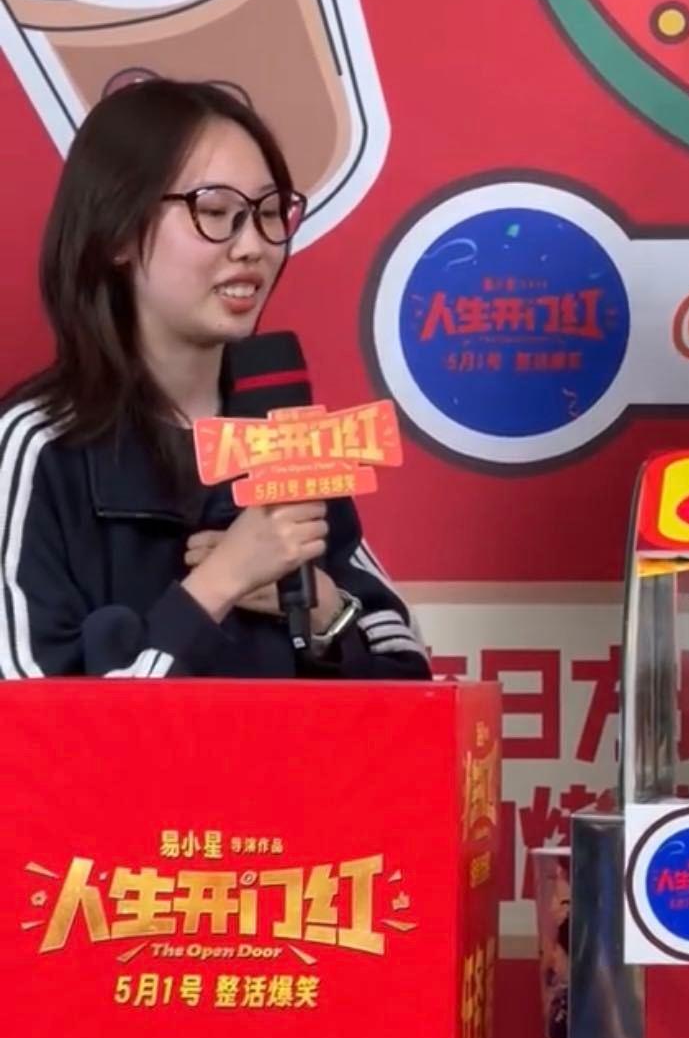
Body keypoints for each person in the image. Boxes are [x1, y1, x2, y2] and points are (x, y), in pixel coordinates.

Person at [0, 78, 429, 681]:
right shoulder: (40, 446)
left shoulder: (286, 438)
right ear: (118, 232)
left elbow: (410, 683)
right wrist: (220, 583)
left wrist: (324, 611)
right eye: (215, 213)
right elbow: (29, 716)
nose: (252, 246)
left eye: (269, 213)